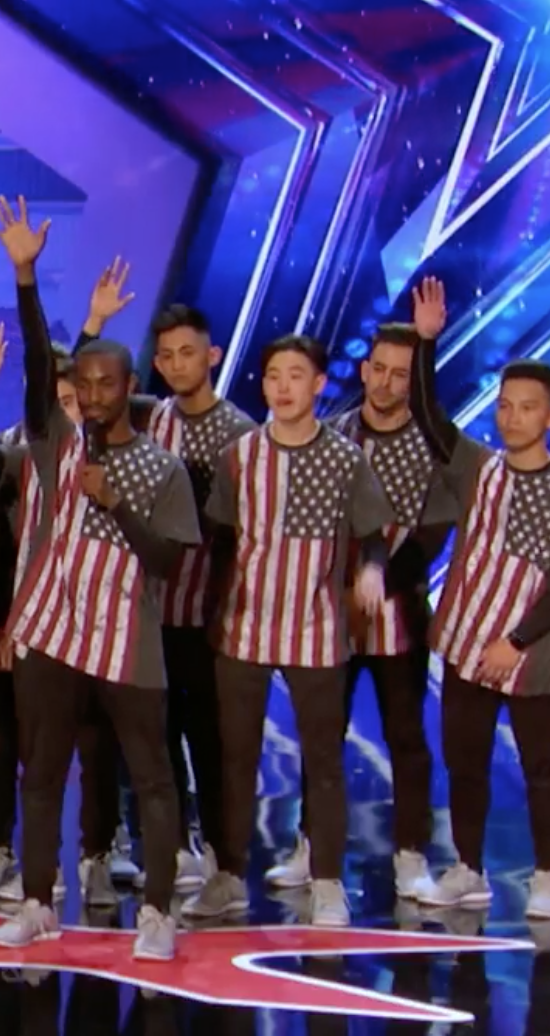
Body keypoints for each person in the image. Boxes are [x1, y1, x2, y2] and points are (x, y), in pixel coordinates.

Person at [0, 198, 201, 960]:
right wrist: (25, 274)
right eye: (85, 386)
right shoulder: (52, 442)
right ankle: (38, 903)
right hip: (51, 633)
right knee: (40, 774)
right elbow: (40, 361)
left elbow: (168, 562)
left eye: (108, 385)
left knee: (153, 779)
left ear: (129, 385)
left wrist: (117, 506)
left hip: (128, 641)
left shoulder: (163, 468)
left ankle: (158, 913)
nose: (95, 396)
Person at [404, 277, 550, 921]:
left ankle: (547, 877)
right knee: (465, 766)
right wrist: (425, 343)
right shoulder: (477, 468)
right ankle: (468, 869)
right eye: (504, 405)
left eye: (526, 408)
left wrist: (515, 642)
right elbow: (428, 417)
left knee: (543, 770)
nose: (511, 416)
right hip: (465, 647)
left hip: (531, 656)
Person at [182, 333, 395, 928]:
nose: (282, 387)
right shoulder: (240, 456)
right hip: (243, 628)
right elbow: (221, 540)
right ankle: (228, 877)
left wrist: (371, 571)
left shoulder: (346, 460)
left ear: (319, 384)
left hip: (317, 629)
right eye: (273, 375)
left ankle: (326, 882)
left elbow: (374, 536)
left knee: (323, 762)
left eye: (295, 375)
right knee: (234, 759)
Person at [322, 321, 456, 900]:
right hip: (329, 616)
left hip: (400, 618)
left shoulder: (434, 447)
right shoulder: (332, 435)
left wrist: (378, 584)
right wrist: (342, 589)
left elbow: (433, 535)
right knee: (323, 735)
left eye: (400, 374)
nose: (385, 382)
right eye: (378, 369)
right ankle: (311, 845)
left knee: (405, 737)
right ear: (363, 369)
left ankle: (410, 854)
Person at [141, 303, 258, 891]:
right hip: (151, 611)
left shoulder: (241, 433)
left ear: (211, 356)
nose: (176, 364)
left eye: (187, 353)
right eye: (166, 355)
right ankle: (173, 844)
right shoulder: (153, 421)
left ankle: (224, 859)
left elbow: (245, 533)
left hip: (210, 615)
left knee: (211, 741)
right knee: (156, 740)